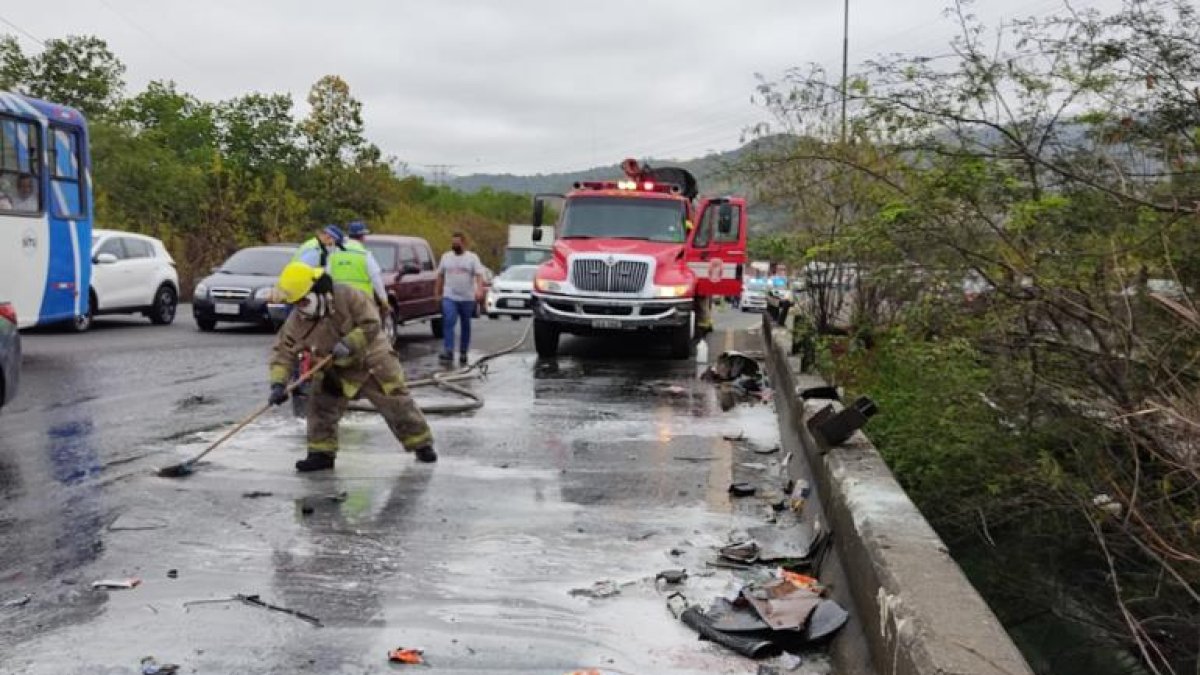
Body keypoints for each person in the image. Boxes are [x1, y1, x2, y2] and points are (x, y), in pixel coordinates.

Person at [267, 261, 437, 471]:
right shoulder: (296, 321)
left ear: (317, 292)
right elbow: (283, 352)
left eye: (303, 302)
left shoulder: (348, 296)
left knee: (396, 402)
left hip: (372, 360)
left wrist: (350, 342)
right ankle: (321, 453)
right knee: (321, 405)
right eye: (296, 304)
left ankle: (421, 444)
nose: (300, 308)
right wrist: (278, 383)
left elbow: (372, 323)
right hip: (334, 366)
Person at [434, 232, 486, 365]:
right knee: (449, 320)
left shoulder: (472, 258)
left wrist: (479, 290)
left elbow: (479, 275)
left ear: (463, 243)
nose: (455, 245)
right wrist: (437, 293)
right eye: (453, 243)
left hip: (467, 298)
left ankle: (463, 351)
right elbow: (440, 276)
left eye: (457, 243)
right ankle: (449, 350)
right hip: (450, 296)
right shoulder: (446, 257)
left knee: (465, 324)